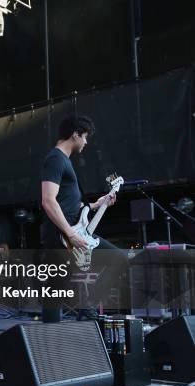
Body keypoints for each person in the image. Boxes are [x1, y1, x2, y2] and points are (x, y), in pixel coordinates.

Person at [40, 114, 126, 322]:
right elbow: (49, 201)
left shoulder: (63, 161)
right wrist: (70, 234)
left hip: (67, 233)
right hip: (63, 236)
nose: (86, 142)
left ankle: (83, 312)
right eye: (85, 137)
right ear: (75, 135)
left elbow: (69, 204)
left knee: (56, 291)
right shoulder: (55, 159)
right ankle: (83, 312)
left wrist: (98, 203)